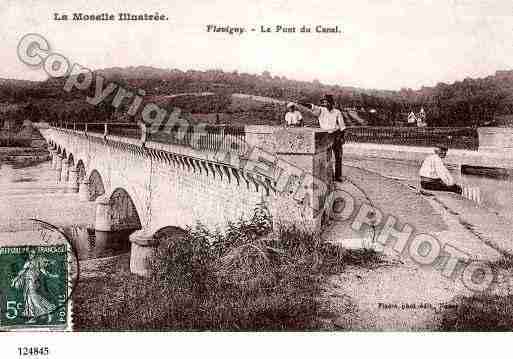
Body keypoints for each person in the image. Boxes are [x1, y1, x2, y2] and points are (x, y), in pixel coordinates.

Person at [300, 94, 345, 181]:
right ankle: (329, 175)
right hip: (325, 135)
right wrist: (302, 103)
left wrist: (342, 137)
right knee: (326, 156)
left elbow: (342, 127)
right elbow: (311, 106)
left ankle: (338, 176)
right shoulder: (321, 110)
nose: (325, 104)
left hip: (336, 135)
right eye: (324, 102)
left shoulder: (337, 112)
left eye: (327, 102)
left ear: (331, 103)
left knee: (338, 157)